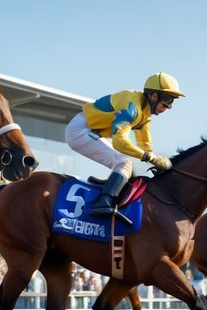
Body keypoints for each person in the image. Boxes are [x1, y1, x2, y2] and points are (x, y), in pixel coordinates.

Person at [64, 72, 185, 220]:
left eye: (172, 101)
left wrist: (156, 161)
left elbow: (145, 144)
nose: (168, 106)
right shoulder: (132, 107)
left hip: (91, 131)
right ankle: (103, 203)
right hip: (80, 130)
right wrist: (149, 157)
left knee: (128, 167)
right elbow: (119, 142)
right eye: (167, 100)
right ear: (153, 96)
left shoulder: (145, 114)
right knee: (123, 162)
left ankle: (111, 194)